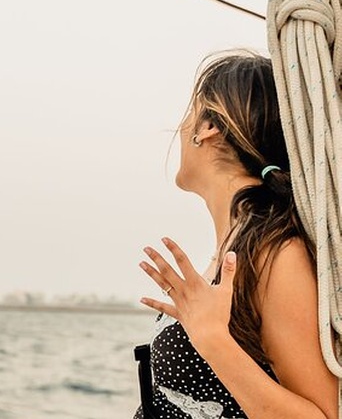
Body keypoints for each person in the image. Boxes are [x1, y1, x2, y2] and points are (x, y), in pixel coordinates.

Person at [134, 51, 338, 418]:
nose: (181, 129)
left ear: (208, 127)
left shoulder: (274, 253)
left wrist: (212, 340)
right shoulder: (235, 248)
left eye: (190, 114)